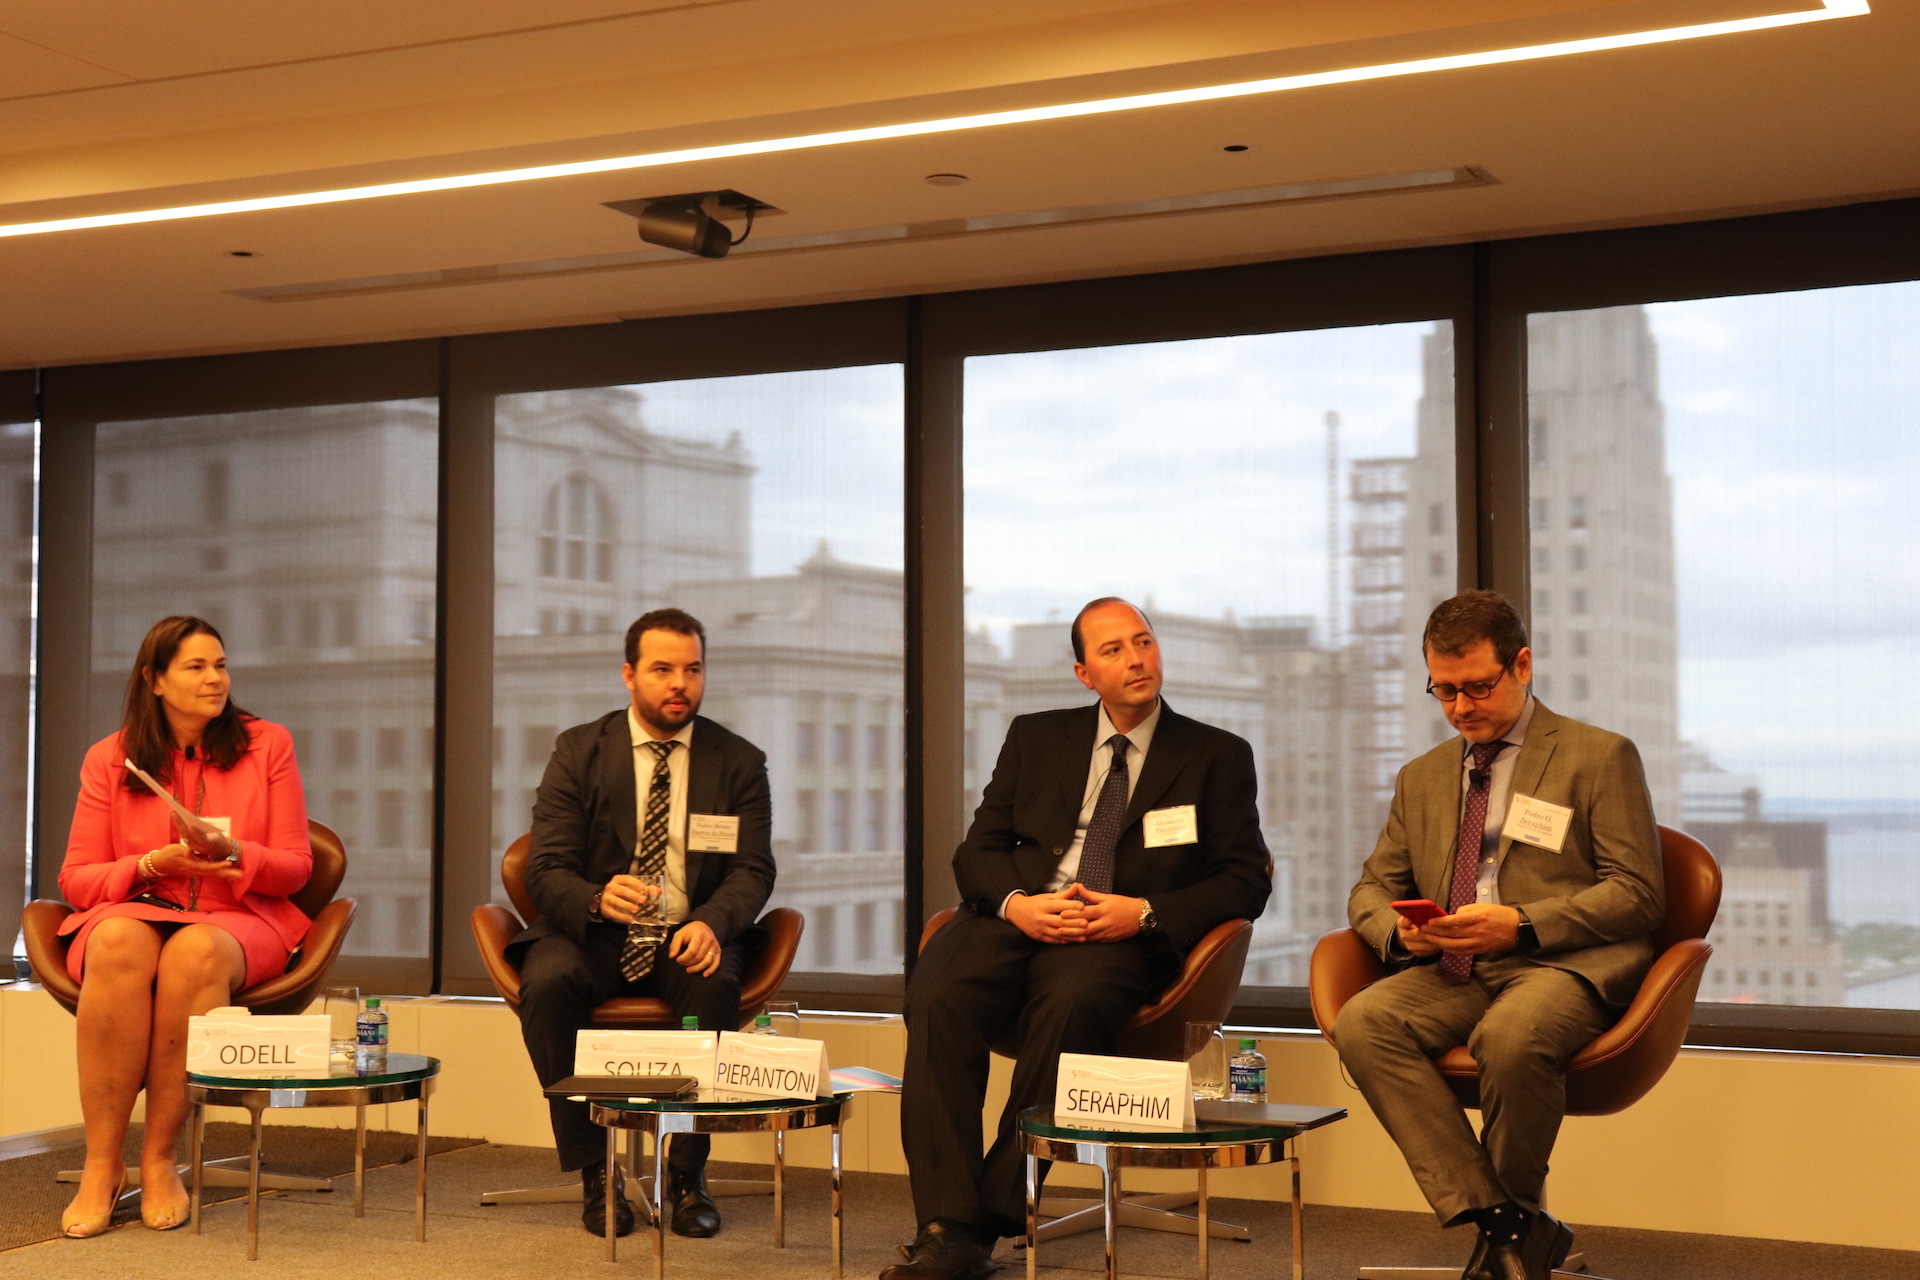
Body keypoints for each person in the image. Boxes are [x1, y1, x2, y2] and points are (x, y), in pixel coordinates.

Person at [886, 597, 1271, 1280]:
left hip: (1116, 936)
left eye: (1144, 641)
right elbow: (977, 851)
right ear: (1084, 673)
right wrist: (1018, 906)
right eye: (1114, 649)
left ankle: (976, 1226)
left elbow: (1244, 881)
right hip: (1023, 915)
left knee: (1071, 1005)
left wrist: (1141, 912)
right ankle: (943, 1219)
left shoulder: (1216, 754)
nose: (1136, 659)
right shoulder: (1036, 737)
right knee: (936, 994)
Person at [1334, 591, 1666, 1280]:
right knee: (1364, 1021)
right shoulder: (1421, 777)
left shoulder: (1599, 756)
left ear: (1522, 665)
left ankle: (1506, 1233)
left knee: (1510, 1036)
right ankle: (1508, 1225)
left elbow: (1638, 893)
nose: (1461, 707)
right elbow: (1369, 890)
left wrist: (1521, 923)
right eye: (1444, 690)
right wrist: (1399, 933)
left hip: (1559, 964)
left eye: (1478, 687)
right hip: (1453, 969)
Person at [508, 608, 775, 1239]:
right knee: (547, 984)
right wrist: (597, 897)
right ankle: (595, 1171)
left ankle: (686, 1174)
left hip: (687, 932)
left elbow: (752, 868)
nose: (680, 683)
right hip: (596, 933)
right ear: (629, 675)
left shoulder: (738, 761)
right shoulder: (579, 751)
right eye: (662, 669)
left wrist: (712, 922)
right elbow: (544, 867)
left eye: (693, 669)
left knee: (713, 986)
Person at [56, 616, 314, 1238]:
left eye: (220, 665)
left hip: (239, 918)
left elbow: (297, 867)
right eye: (196, 667)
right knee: (116, 939)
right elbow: (76, 879)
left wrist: (235, 851)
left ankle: (161, 1157)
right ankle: (101, 1163)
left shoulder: (268, 744)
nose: (214, 679)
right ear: (155, 680)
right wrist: (152, 864)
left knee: (194, 951)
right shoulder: (109, 758)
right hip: (142, 910)